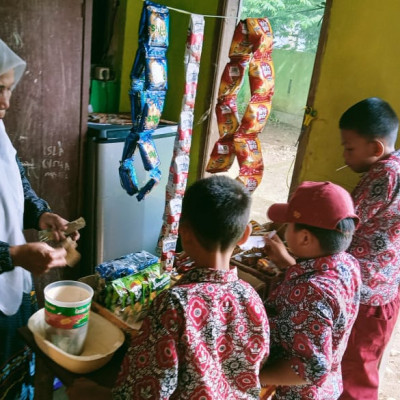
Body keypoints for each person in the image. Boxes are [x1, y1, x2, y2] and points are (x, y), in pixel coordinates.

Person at [67, 175, 270, 400]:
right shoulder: (252, 297)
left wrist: (94, 394)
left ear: (184, 232)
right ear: (244, 236)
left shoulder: (175, 304)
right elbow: (256, 366)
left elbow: (145, 392)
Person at [0, 39, 79, 399]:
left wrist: (41, 212)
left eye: (8, 89)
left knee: (20, 373)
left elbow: (17, 182)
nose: (6, 102)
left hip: (14, 287)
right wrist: (14, 256)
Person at [260, 181, 361, 399]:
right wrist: (288, 265)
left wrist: (254, 377)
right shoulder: (348, 264)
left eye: (288, 225)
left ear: (305, 238)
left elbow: (311, 369)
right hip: (328, 388)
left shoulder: (311, 291)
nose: (285, 230)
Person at [338, 97, 400, 399]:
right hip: (384, 287)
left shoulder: (384, 174)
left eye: (349, 148)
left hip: (368, 295)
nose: (344, 154)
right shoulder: (397, 165)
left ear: (376, 148)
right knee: (360, 364)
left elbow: (346, 223)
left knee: (356, 372)